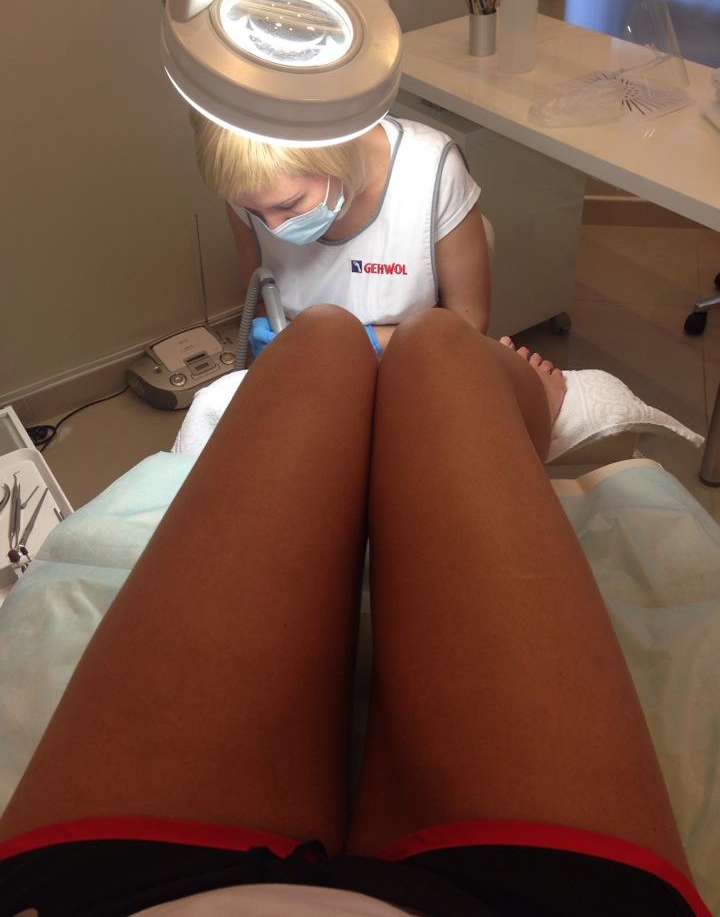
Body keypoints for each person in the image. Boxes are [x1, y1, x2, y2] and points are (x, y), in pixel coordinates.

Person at [0, 307, 709, 916]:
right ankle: (519, 423)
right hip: (539, 895)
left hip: (95, 888)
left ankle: (426, 418)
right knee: (438, 344)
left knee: (322, 335)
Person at [190, 110, 492, 358]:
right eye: (255, 212)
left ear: (336, 157)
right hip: (300, 362)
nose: (274, 228)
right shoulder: (249, 191)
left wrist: (359, 342)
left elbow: (469, 324)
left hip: (412, 361)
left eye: (290, 205)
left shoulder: (428, 171)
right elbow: (259, 295)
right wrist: (268, 328)